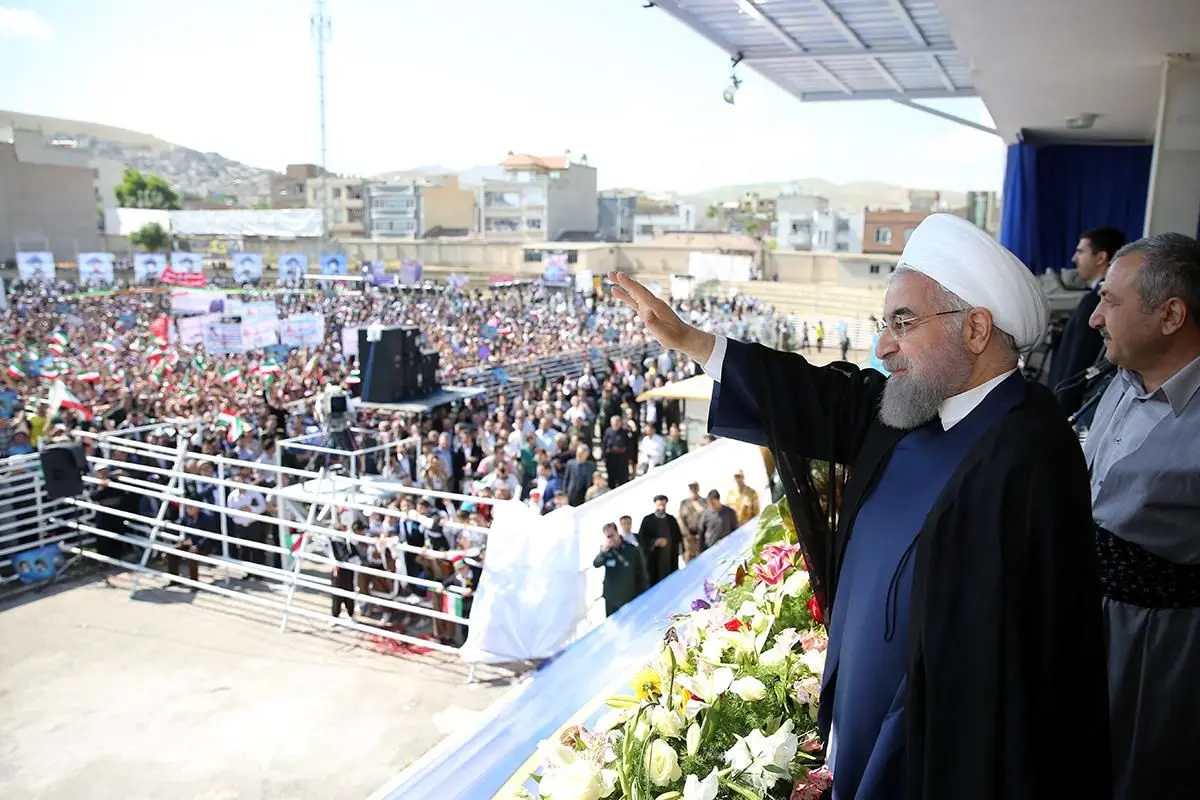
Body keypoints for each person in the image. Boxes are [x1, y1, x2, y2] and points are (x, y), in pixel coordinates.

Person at [609, 211, 1110, 800]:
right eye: (883, 323)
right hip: (855, 726)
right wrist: (694, 343)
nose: (882, 346)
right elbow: (816, 395)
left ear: (976, 329)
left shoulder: (1032, 457)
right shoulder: (911, 407)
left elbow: (1025, 668)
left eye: (903, 322)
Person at [1084, 232, 1200, 800]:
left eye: (1110, 301)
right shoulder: (1118, 383)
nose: (1095, 319)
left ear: (1170, 315)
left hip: (1162, 654)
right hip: (1088, 627)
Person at [1050, 226, 1126, 413]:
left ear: (1101, 257)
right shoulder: (1094, 300)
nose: (1074, 259)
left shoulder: (1093, 303)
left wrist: (1060, 410)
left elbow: (1077, 362)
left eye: (1081, 252)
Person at [593, 522, 648, 617]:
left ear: (617, 532)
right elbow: (596, 564)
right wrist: (603, 552)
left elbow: (641, 572)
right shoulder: (605, 551)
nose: (611, 539)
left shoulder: (631, 549)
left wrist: (643, 593)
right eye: (608, 537)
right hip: (611, 597)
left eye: (612, 535)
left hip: (628, 595)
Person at [637, 494, 683, 586]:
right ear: (655, 505)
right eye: (659, 505)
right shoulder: (647, 520)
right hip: (654, 561)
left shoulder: (671, 520)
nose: (661, 508)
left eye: (663, 505)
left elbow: (678, 538)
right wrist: (654, 542)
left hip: (670, 559)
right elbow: (641, 539)